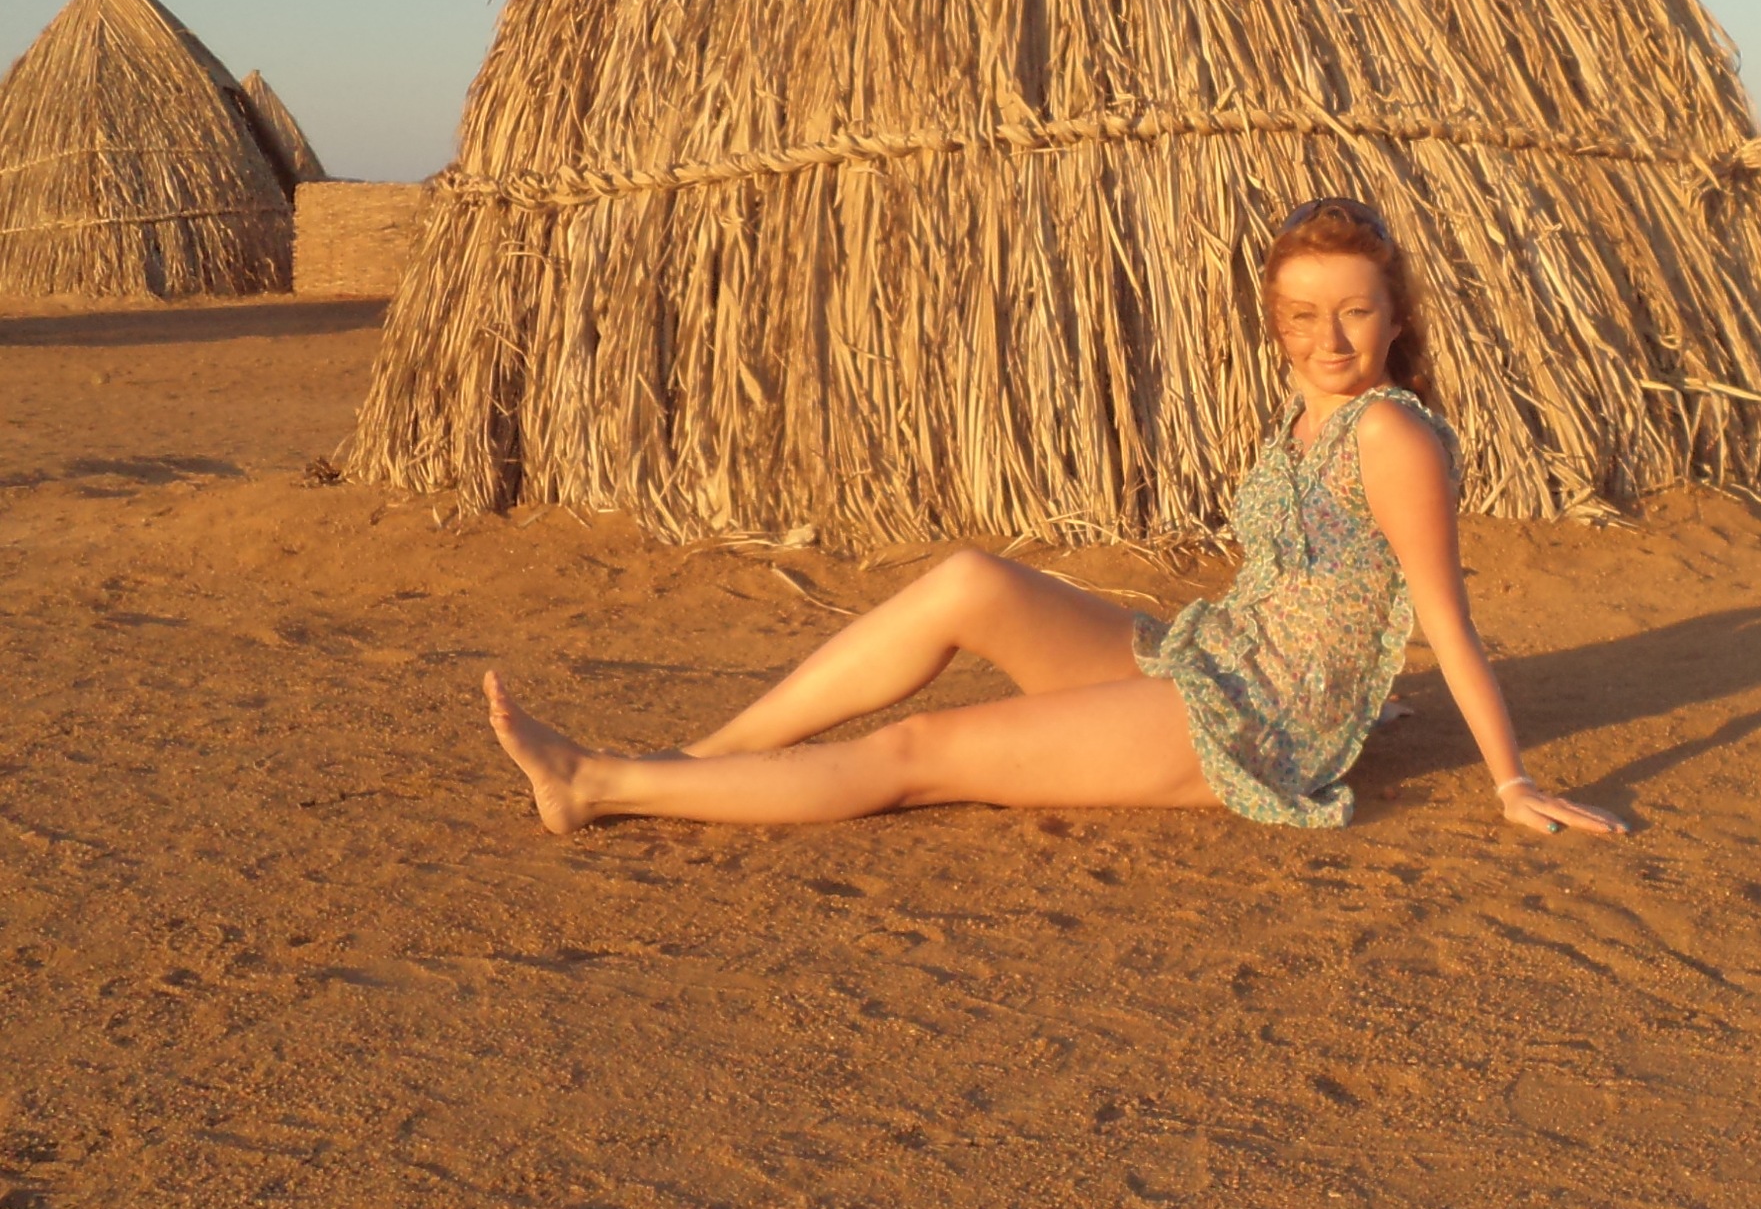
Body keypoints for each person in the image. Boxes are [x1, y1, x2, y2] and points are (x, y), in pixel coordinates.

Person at [485, 197, 1625, 840]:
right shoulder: (1304, 416)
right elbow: (1307, 578)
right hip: (1212, 654)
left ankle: (600, 785)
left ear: (1394, 315)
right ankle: (704, 760)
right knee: (968, 581)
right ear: (1274, 321)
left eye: (1356, 313)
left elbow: (1444, 617)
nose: (1329, 338)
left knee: (921, 754)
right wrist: (1341, 679)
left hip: (1255, 722)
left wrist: (1510, 782)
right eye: (1303, 315)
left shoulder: (1391, 435)